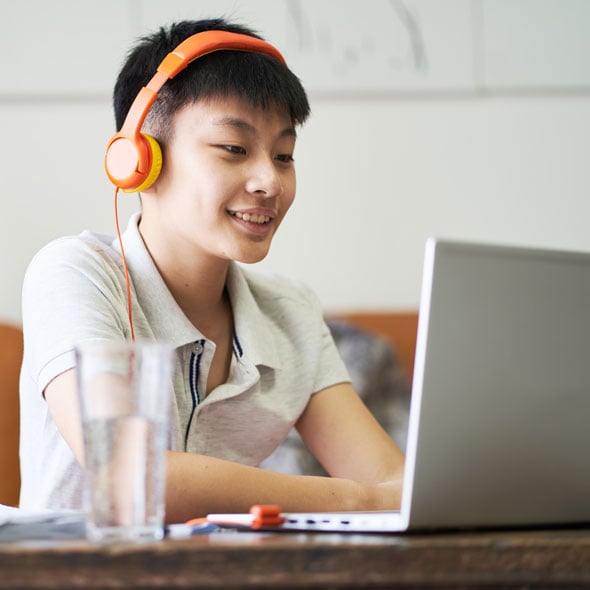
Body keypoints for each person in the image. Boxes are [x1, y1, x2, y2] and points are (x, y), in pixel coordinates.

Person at [19, 18, 404, 523]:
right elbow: (127, 472)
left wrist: (372, 495)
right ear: (139, 159)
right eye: (234, 149)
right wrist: (354, 499)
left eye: (284, 155)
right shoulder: (76, 274)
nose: (270, 180)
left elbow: (393, 484)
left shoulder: (290, 312)